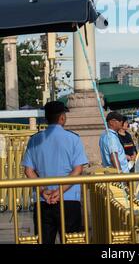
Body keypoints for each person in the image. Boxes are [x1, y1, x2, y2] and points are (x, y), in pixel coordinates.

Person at [22, 101, 88, 244]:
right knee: (71, 240)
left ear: (46, 119)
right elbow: (78, 170)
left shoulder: (34, 140)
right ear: (62, 118)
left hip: (43, 200)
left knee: (44, 240)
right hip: (69, 199)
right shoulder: (74, 139)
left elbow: (28, 170)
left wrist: (43, 190)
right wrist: (60, 191)